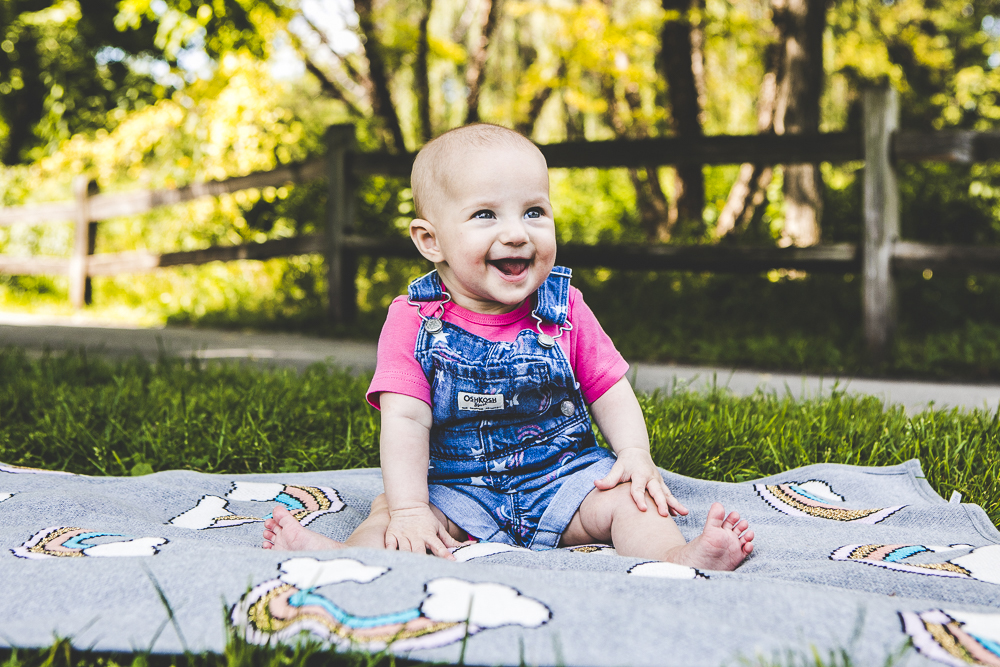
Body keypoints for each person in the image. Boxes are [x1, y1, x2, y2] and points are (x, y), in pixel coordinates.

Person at [263, 123, 754, 569]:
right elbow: (405, 418)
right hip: (457, 490)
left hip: (566, 478)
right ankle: (347, 556)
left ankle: (678, 556)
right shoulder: (412, 321)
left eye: (534, 211)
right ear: (430, 240)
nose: (517, 233)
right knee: (393, 512)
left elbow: (609, 387)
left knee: (631, 497)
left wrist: (633, 453)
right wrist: (413, 509)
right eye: (484, 215)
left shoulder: (565, 309)